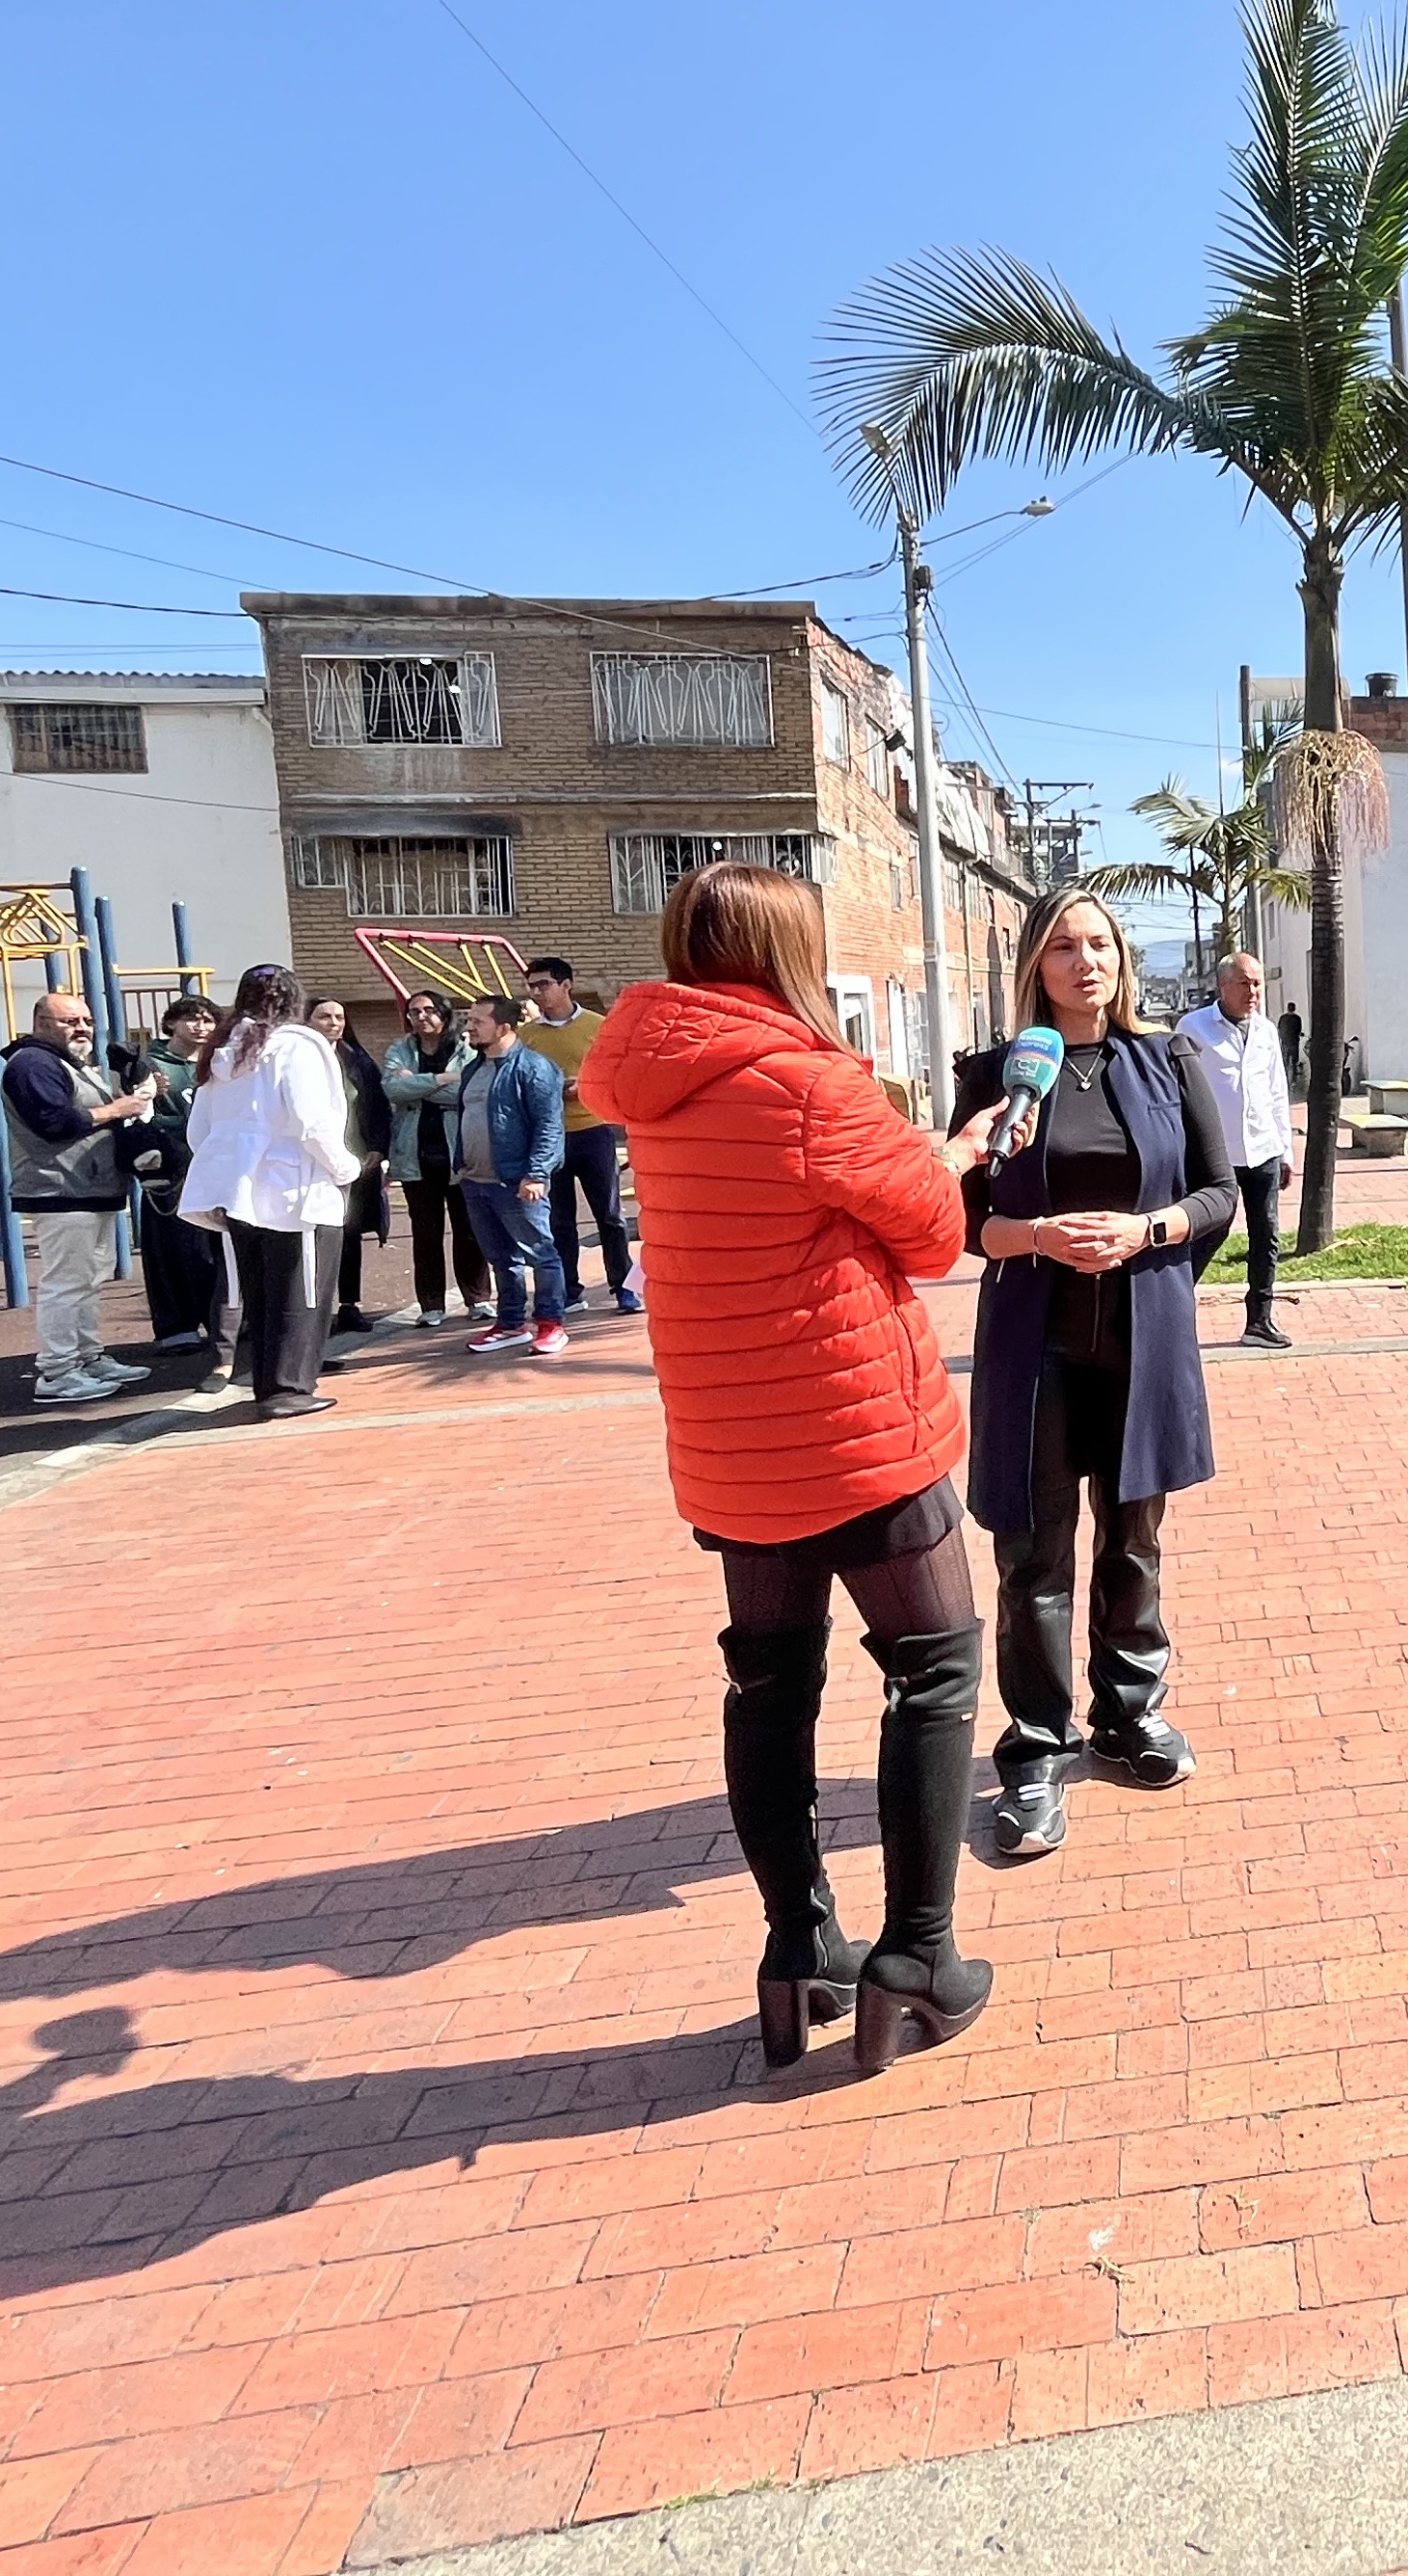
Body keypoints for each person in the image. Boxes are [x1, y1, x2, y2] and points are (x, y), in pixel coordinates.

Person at [584, 861, 1009, 2072]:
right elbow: (931, 1237)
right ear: (787, 952)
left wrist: (915, 1155)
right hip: (857, 1434)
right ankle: (917, 1955)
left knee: (768, 1688)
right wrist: (956, 1157)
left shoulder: (653, 1085)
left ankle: (797, 1948)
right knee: (930, 1672)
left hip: (732, 1446)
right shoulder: (810, 1082)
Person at [950, 885, 1236, 1859]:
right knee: (1032, 1556)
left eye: (1102, 944)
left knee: (1133, 1541)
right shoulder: (993, 1074)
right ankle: (1034, 1752)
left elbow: (1216, 1195)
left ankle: (1128, 1717)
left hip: (1141, 1341)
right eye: (1066, 946)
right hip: (1034, 1346)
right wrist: (1034, 1234)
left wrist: (1143, 1230)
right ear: (1036, 963)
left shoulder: (1169, 1061)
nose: (1088, 962)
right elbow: (956, 1222)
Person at [175, 964, 362, 1422]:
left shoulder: (222, 1051)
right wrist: (346, 1167)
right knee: (301, 1292)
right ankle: (288, 1389)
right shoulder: (296, 1047)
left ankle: (266, 1383)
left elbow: (199, 1130)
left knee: (259, 1293)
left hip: (238, 1194)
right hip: (294, 1191)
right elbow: (311, 1121)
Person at [0, 989, 156, 1406]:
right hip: (60, 1190)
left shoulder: (71, 1064)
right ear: (41, 1024)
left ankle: (87, 1357)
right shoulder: (31, 1064)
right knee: (66, 1283)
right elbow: (53, 1122)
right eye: (70, 1021)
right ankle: (57, 1372)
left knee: (88, 1280)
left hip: (90, 1188)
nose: (82, 1028)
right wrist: (116, 1109)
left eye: (86, 1020)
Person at [1177, 949, 1294, 1349]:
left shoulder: (1266, 1031)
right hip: (1215, 1155)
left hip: (1263, 1149)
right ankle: (1170, 1314)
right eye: (1244, 983)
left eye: (1257, 983)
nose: (1253, 991)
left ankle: (1259, 1322)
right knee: (1209, 1233)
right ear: (1222, 986)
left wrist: (1286, 1151)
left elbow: (1277, 1092)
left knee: (1267, 1237)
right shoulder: (1193, 1029)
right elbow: (1178, 1093)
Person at [519, 958, 639, 1315]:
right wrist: (552, 1089)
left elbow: (617, 1073)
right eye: (532, 987)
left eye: (544, 985)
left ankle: (625, 1288)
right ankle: (570, 1292)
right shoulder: (527, 1036)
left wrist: (583, 1087)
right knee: (560, 1220)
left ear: (566, 985)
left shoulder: (598, 1026)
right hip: (550, 1137)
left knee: (611, 1217)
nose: (537, 993)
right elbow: (522, 1083)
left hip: (594, 1130)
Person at [456, 994, 571, 1357]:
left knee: (541, 1254)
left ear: (504, 1027)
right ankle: (510, 1324)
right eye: (470, 1020)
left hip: (517, 1182)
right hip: (476, 1182)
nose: (469, 1027)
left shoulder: (534, 1068)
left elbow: (549, 1126)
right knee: (502, 1259)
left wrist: (536, 1174)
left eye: (478, 1021)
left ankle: (551, 1324)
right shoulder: (474, 1068)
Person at [379, 988, 489, 1327]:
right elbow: (393, 1089)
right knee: (425, 1233)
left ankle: (478, 1299)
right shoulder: (401, 1050)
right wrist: (441, 1079)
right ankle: (431, 1306)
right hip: (415, 1155)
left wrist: (419, 1085)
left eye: (428, 1010)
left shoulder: (466, 1049)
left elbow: (468, 1091)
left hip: (459, 1153)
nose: (421, 1017)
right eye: (414, 1012)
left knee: (468, 1230)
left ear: (443, 1014)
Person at [129, 994, 227, 1356]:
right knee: (170, 1251)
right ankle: (176, 1326)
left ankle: (222, 1322)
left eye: (208, 1020)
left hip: (214, 1169)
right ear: (170, 1023)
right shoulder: (150, 1066)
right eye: (192, 1019)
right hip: (170, 1173)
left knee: (213, 1251)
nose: (201, 1027)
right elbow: (141, 1117)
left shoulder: (220, 1063)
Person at [308, 997, 395, 1339]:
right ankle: (315, 1312)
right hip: (312, 1165)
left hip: (355, 1161)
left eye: (339, 1016)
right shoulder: (299, 1060)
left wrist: (377, 1148)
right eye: (324, 1016)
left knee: (349, 1235)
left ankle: (349, 1306)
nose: (333, 1022)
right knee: (315, 1240)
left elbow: (377, 1107)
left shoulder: (357, 1059)